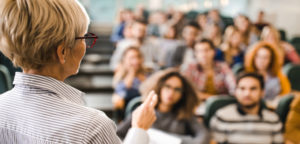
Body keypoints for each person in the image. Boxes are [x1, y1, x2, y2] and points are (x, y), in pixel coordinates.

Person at [0, 0, 157, 143]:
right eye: (83, 38)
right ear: (62, 52)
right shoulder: (92, 127)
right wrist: (139, 129)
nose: (85, 45)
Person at [117, 69, 209, 144]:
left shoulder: (185, 114)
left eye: (177, 89)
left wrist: (169, 139)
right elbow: (118, 135)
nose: (171, 93)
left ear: (182, 94)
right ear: (159, 87)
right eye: (167, 87)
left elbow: (203, 137)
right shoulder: (145, 111)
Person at [210, 72, 284, 144]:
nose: (247, 93)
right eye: (242, 88)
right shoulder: (222, 117)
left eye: (253, 89)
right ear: (236, 92)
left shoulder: (273, 120)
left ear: (262, 92)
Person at [244, 41, 291, 108]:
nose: (261, 61)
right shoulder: (246, 76)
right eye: (258, 57)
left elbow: (286, 95)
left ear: (271, 60)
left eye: (265, 57)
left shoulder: (279, 76)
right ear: (253, 58)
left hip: (275, 108)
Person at [112, 47, 147, 114]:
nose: (136, 61)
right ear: (124, 60)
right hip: (128, 111)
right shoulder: (120, 76)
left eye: (138, 57)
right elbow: (120, 93)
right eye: (132, 58)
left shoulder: (147, 74)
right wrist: (131, 73)